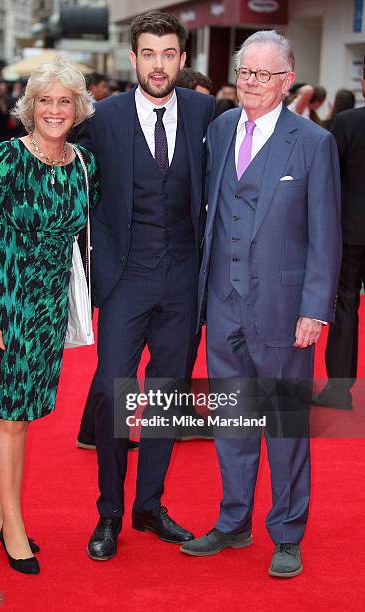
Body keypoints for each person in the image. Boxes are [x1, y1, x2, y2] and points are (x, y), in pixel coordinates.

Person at [180, 30, 341, 578]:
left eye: (264, 75)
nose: (251, 83)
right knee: (232, 421)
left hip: (282, 308)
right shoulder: (221, 129)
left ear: (287, 79)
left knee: (285, 425)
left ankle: (288, 533)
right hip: (223, 301)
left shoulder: (313, 143)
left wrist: (313, 310)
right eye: (245, 72)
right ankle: (233, 522)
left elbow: (326, 235)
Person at [77, 11, 214, 561]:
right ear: (132, 58)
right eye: (148, 54)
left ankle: (149, 506)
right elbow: (62, 160)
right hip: (124, 279)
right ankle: (110, 512)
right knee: (114, 393)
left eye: (168, 54)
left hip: (184, 277)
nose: (158, 65)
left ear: (184, 59)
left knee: (167, 397)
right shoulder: (103, 117)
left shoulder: (208, 112)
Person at [0, 56, 98, 575]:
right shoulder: (2, 160)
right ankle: (11, 527)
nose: (55, 110)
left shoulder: (85, 167)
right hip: (3, 303)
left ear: (79, 108)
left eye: (66, 101)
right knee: (10, 418)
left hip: (47, 308)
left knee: (22, 415)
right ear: (30, 107)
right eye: (46, 100)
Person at [313, 67, 365, 410]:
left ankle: (339, 390)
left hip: (351, 230)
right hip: (349, 230)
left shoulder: (347, 122)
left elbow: (328, 174)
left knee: (345, 304)